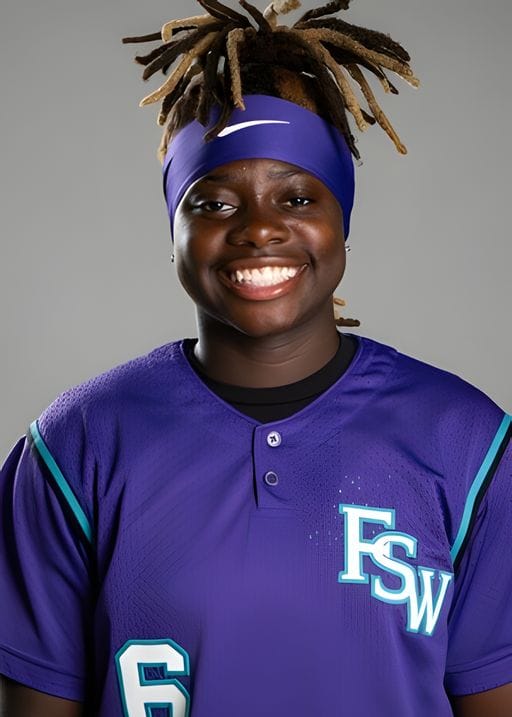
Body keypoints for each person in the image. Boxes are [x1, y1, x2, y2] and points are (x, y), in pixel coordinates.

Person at [1, 1, 511, 715]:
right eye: (213, 203)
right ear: (172, 234)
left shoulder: (467, 443)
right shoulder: (75, 445)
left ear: (342, 225)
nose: (260, 228)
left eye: (297, 195)